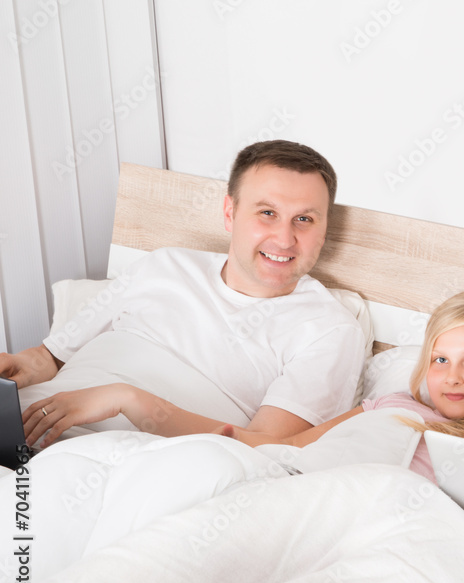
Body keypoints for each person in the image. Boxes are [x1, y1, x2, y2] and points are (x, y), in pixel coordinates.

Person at [1, 140, 367, 450]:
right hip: (31, 423)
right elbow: (51, 358)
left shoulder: (328, 330)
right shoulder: (164, 265)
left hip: (132, 458)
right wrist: (22, 367)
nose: (285, 239)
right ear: (230, 212)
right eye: (267, 212)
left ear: (324, 229)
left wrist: (126, 399)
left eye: (304, 219)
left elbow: (266, 448)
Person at [222, 287, 464, 482]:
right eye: (440, 360)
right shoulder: (393, 404)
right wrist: (235, 441)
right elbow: (296, 447)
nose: (452, 377)